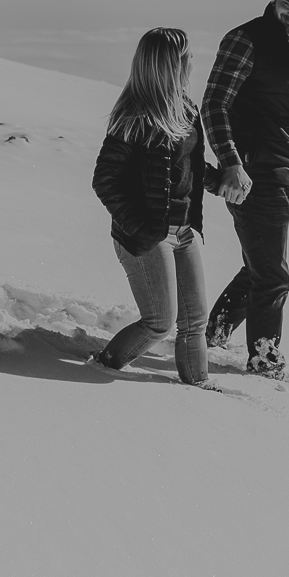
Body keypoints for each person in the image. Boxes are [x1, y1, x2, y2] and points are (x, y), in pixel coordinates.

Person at [202, 0, 289, 377]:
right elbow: (214, 105)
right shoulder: (246, 39)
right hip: (253, 173)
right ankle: (264, 360)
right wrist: (233, 163)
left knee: (262, 264)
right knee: (272, 275)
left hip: (282, 171)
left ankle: (214, 332)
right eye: (286, 2)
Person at [90, 27, 219, 385]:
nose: (193, 61)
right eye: (188, 56)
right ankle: (105, 362)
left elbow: (187, 166)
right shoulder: (134, 116)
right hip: (146, 236)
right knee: (160, 322)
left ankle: (198, 386)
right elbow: (105, 180)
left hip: (184, 231)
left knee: (195, 321)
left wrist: (218, 181)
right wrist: (143, 229)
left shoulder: (185, 109)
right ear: (172, 64)